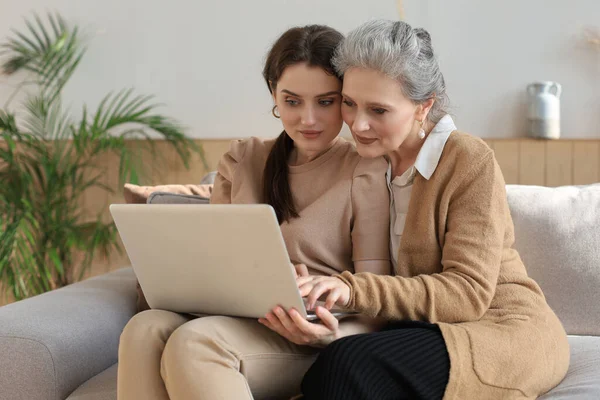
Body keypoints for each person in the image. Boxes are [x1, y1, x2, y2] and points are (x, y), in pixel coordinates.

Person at [268, 20, 569, 400]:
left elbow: (467, 293)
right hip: (414, 329)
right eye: (349, 103)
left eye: (378, 110)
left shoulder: (467, 159)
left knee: (347, 364)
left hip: (498, 331)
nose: (358, 124)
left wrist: (350, 288)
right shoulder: (367, 161)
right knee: (332, 367)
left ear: (423, 107)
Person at [117, 24, 391, 400]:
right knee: (144, 328)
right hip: (230, 317)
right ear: (274, 95)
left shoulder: (367, 170)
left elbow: (378, 303)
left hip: (303, 336)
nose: (308, 120)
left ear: (346, 100)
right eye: (292, 101)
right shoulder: (244, 157)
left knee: (196, 342)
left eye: (325, 102)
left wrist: (332, 337)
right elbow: (210, 258)